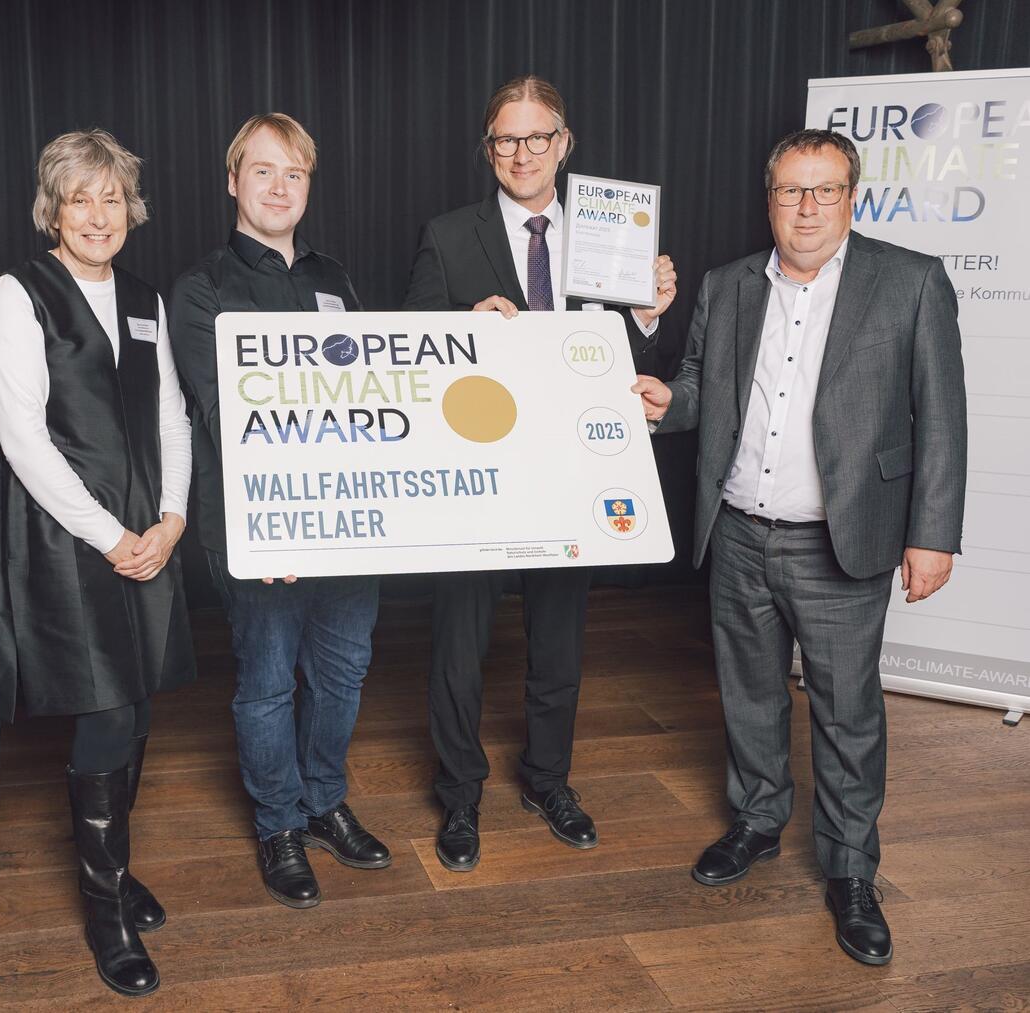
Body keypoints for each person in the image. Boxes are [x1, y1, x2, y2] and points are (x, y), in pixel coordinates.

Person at [632, 128, 966, 965]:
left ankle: (852, 870)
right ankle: (756, 819)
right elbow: (705, 386)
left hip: (842, 543)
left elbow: (943, 420)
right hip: (740, 529)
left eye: (824, 190)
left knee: (847, 714)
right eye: (790, 191)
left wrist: (933, 536)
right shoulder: (729, 284)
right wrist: (668, 398)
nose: (807, 207)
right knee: (749, 695)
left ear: (852, 197)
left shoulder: (911, 282)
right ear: (770, 199)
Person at [403, 75, 678, 872]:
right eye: (505, 140)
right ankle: (459, 793)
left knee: (559, 643)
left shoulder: (609, 234)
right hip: (478, 474)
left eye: (537, 137)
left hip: (574, 470)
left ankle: (548, 780)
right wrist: (463, 328)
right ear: (488, 150)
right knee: (458, 646)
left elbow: (639, 369)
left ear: (565, 143)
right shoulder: (449, 235)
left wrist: (650, 315)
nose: (521, 153)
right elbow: (411, 343)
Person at [0, 129, 195, 998]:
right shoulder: (18, 290)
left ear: (130, 210)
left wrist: (174, 519)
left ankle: (116, 867)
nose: (99, 214)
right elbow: (21, 436)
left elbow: (173, 415)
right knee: (106, 714)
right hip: (72, 543)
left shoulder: (146, 295)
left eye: (112, 198)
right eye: (81, 198)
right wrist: (111, 535)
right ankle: (102, 907)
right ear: (54, 209)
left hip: (151, 538)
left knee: (138, 708)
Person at [170, 113, 390, 910]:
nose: (278, 187)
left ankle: (323, 799)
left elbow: (377, 394)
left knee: (341, 672)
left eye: (293, 174)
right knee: (266, 683)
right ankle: (278, 823)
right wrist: (283, 516)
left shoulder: (335, 278)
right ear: (233, 182)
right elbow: (226, 413)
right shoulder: (200, 289)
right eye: (262, 171)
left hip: (349, 526)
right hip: (264, 529)